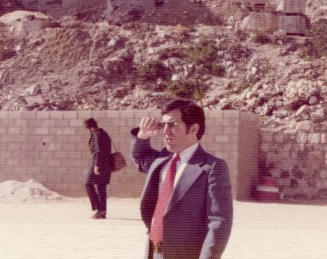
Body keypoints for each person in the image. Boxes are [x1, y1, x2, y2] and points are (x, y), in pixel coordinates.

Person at [132, 99, 233, 259]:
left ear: (193, 128)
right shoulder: (162, 159)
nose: (165, 131)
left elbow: (218, 221)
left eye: (172, 125)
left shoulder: (212, 167)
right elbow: (140, 159)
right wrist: (142, 137)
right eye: (162, 125)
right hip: (154, 251)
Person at [84, 117, 113, 219]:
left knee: (88, 183)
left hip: (99, 163)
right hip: (106, 164)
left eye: (87, 129)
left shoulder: (96, 134)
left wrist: (96, 165)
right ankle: (102, 212)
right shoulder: (103, 133)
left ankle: (99, 209)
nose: (87, 131)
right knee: (101, 187)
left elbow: (98, 151)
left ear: (90, 127)